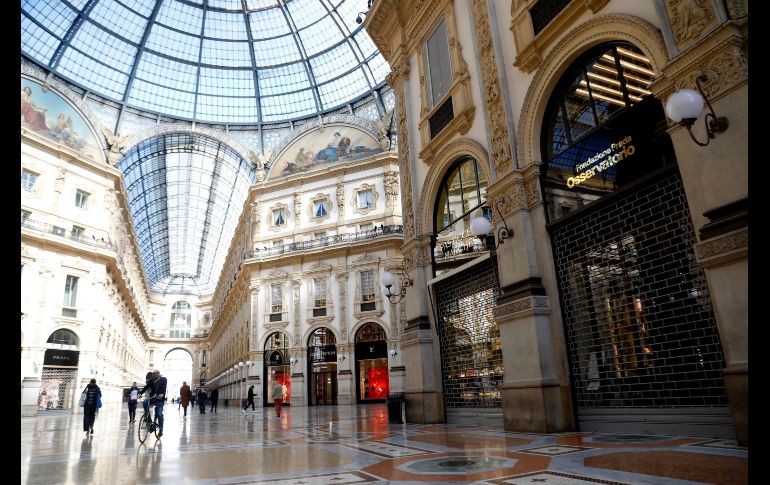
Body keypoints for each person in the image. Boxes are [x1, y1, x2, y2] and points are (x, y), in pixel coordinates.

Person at [139, 370, 168, 438]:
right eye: (153, 374)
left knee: (159, 413)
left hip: (160, 398)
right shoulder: (152, 380)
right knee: (145, 402)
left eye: (156, 373)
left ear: (159, 373)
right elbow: (146, 387)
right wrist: (140, 393)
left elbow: (164, 387)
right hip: (153, 398)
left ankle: (161, 430)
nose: (154, 375)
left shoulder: (163, 379)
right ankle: (148, 419)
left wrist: (162, 394)